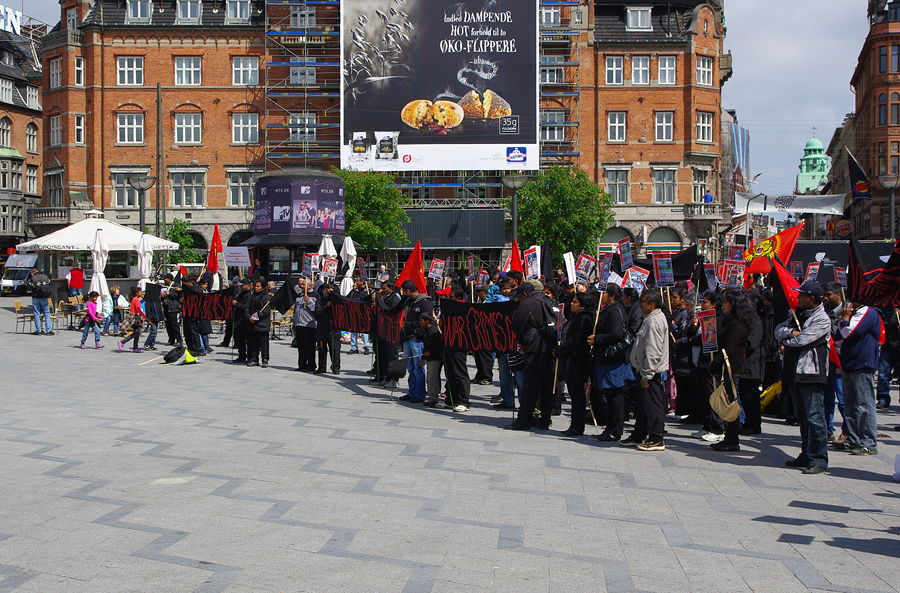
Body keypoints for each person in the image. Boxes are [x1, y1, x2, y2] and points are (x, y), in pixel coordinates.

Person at [776, 281, 831, 475]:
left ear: (812, 298)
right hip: (793, 372)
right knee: (802, 417)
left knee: (814, 417)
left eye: (801, 296)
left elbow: (804, 339)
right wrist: (790, 332)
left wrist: (788, 340)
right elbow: (778, 330)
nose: (797, 298)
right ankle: (806, 454)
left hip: (811, 373)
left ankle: (819, 458)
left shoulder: (822, 319)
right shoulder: (795, 314)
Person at [621, 290, 670, 451]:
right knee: (642, 407)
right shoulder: (650, 318)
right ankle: (639, 434)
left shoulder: (655, 321)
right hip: (644, 370)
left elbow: (653, 350)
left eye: (643, 301)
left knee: (653, 405)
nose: (640, 304)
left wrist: (647, 375)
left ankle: (657, 437)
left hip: (652, 373)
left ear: (653, 304)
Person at [834, 301, 881, 456]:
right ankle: (854, 439)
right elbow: (840, 337)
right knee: (850, 405)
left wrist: (846, 319)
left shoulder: (869, 312)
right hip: (848, 363)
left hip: (862, 363)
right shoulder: (853, 313)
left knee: (864, 405)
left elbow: (848, 333)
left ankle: (868, 442)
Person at [505, 282, 554, 431]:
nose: (518, 300)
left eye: (519, 297)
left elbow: (516, 325)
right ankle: (545, 420)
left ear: (524, 295)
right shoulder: (548, 300)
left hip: (534, 347)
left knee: (530, 386)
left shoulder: (528, 304)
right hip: (550, 348)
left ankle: (524, 420)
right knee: (546, 387)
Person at [708, 288, 752, 452]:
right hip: (728, 368)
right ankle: (729, 437)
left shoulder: (737, 325)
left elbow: (728, 349)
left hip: (731, 368)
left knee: (730, 403)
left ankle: (732, 439)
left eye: (726, 302)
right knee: (728, 401)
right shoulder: (731, 321)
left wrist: (714, 365)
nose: (723, 305)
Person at [589, 284, 634, 441]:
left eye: (605, 293)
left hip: (613, 360)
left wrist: (597, 339)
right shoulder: (609, 309)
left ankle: (615, 429)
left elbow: (616, 334)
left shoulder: (615, 310)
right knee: (610, 395)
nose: (603, 296)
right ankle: (612, 426)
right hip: (606, 359)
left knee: (615, 395)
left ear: (612, 296)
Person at [556, 291, 595, 436]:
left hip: (578, 362)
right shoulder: (576, 317)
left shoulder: (584, 319)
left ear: (583, 306)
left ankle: (577, 425)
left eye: (575, 302)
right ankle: (575, 424)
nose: (572, 304)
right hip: (573, 361)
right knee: (575, 394)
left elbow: (574, 341)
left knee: (577, 395)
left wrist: (559, 350)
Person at [398, 280, 433, 404]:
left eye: (403, 290)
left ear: (408, 290)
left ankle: (420, 393)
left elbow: (428, 320)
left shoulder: (424, 302)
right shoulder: (408, 301)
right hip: (407, 337)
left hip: (416, 339)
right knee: (410, 367)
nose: (402, 293)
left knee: (418, 367)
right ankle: (411, 391)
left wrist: (418, 334)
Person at [822, 283, 848, 443]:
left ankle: (847, 430)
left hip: (840, 360)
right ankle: (827, 429)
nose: (826, 298)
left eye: (829, 294)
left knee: (843, 400)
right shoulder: (824, 311)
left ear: (839, 295)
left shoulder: (847, 312)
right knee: (827, 399)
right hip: (826, 361)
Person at [441, 287, 471, 411]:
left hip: (459, 344)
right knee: (450, 373)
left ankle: (464, 401)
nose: (449, 299)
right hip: (448, 343)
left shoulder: (465, 309)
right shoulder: (448, 308)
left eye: (451, 297)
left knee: (460, 373)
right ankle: (450, 399)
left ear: (459, 298)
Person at [374, 282, 401, 386]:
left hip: (391, 332)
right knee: (382, 355)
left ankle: (393, 379)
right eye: (382, 288)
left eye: (384, 288)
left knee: (391, 356)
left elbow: (392, 312)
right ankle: (383, 376)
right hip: (382, 331)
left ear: (391, 288)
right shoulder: (383, 297)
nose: (383, 290)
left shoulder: (395, 299)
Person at [419, 313, 446, 408]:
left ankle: (434, 399)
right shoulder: (426, 331)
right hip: (429, 358)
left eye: (421, 320)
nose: (420, 323)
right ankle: (431, 398)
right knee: (429, 379)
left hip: (435, 358)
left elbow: (439, 345)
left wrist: (430, 352)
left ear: (427, 321)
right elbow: (426, 346)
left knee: (432, 379)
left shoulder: (434, 332)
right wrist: (423, 358)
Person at [875, 306, 899, 410]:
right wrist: (894, 326)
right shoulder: (886, 310)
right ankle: (883, 398)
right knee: (883, 374)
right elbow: (881, 325)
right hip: (888, 346)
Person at [292, 278, 318, 372]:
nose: (301, 286)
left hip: (309, 325)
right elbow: (296, 311)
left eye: (304, 284)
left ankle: (311, 365)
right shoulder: (299, 296)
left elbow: (317, 309)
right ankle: (302, 364)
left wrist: (309, 301)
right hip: (299, 324)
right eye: (301, 284)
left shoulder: (315, 295)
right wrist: (294, 323)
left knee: (310, 347)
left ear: (310, 286)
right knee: (301, 346)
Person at [248, 278, 272, 367]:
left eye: (258, 286)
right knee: (253, 343)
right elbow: (247, 307)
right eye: (255, 286)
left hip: (262, 324)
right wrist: (249, 317)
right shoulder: (252, 295)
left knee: (264, 343)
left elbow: (266, 311)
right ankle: (254, 358)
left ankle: (265, 359)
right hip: (252, 323)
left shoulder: (266, 297)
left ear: (262, 287)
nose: (256, 288)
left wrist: (256, 317)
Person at [118, 286, 147, 353]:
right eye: (140, 292)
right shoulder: (136, 300)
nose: (141, 293)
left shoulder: (134, 299)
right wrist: (144, 316)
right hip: (135, 317)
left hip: (135, 316)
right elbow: (138, 309)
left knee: (137, 332)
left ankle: (135, 347)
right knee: (136, 332)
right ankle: (122, 342)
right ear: (137, 293)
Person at [26, 268, 54, 336]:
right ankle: (49, 330)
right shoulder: (45, 277)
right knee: (46, 313)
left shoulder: (32, 279)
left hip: (36, 298)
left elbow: (28, 290)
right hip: (44, 297)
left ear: (32, 273)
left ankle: (39, 331)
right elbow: (50, 285)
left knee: (37, 313)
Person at [348, 278, 371, 355]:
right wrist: (353, 290)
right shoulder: (355, 291)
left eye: (358, 281)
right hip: (355, 313)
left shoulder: (366, 290)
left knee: (364, 331)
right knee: (354, 331)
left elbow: (366, 300)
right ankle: (354, 347)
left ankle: (367, 347)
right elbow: (348, 298)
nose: (356, 282)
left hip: (364, 314)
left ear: (362, 282)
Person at [232, 278, 252, 364]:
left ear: (247, 285)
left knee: (248, 340)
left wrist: (236, 304)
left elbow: (246, 307)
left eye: (242, 286)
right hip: (238, 320)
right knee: (239, 339)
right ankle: (241, 355)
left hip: (245, 320)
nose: (241, 287)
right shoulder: (241, 294)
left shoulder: (249, 295)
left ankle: (250, 356)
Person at [218, 277, 241, 348]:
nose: (233, 284)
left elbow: (235, 298)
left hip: (236, 311)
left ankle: (237, 343)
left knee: (235, 329)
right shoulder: (232, 289)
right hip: (229, 311)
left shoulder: (239, 289)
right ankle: (226, 342)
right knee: (228, 328)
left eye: (235, 282)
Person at [161, 274, 182, 346]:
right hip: (166, 306)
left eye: (166, 278)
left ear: (169, 279)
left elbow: (178, 296)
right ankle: (171, 339)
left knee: (174, 324)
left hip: (173, 307)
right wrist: (163, 296)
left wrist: (170, 293)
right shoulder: (164, 286)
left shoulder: (176, 285)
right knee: (168, 324)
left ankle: (178, 339)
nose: (164, 280)